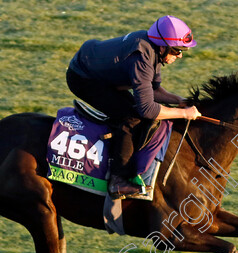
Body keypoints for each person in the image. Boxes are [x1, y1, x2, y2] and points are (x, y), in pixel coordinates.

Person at [66, 15, 202, 199]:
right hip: (83, 78)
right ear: (163, 46)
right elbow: (148, 109)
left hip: (97, 68)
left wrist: (178, 100)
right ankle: (118, 181)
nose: (180, 55)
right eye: (177, 50)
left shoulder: (153, 48)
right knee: (131, 117)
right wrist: (184, 114)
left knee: (135, 109)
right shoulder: (142, 58)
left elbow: (153, 90)